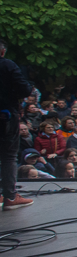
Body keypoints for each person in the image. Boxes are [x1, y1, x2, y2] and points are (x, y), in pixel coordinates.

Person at [1, 38, 36, 211]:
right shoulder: (7, 65)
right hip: (5, 115)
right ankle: (10, 196)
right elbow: (25, 89)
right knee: (8, 156)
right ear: (2, 51)